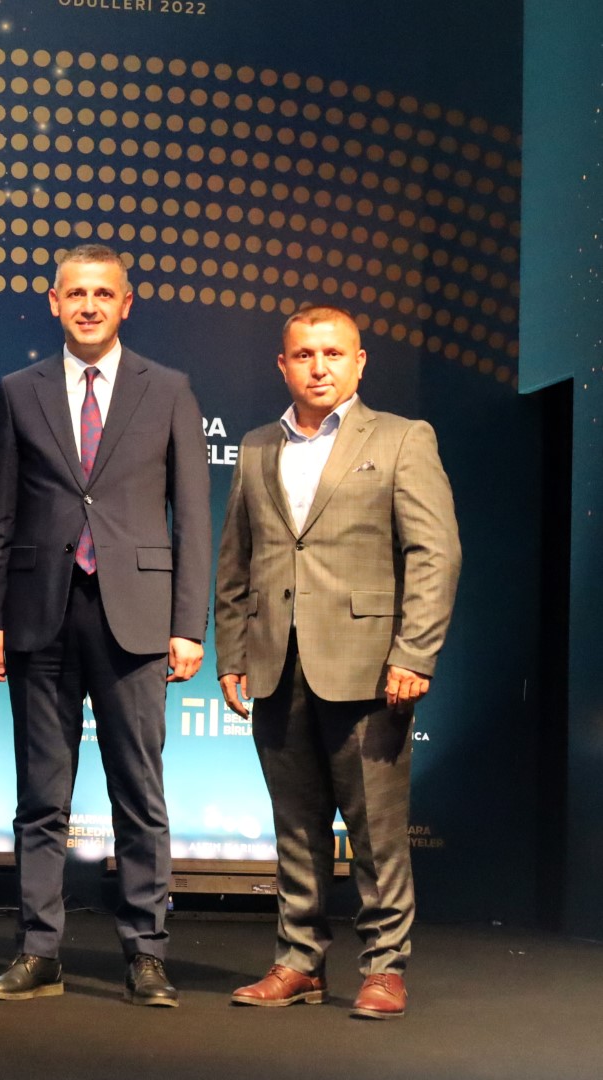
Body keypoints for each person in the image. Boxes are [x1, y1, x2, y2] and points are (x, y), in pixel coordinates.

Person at [0, 243, 209, 1007]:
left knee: (138, 793)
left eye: (102, 294)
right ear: (53, 302)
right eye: (74, 293)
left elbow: (192, 517)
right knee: (41, 797)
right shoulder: (18, 391)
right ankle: (38, 950)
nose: (87, 305)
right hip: (37, 614)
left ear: (124, 304)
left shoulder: (167, 389)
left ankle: (146, 952)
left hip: (135, 618)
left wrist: (188, 624)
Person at [215, 305, 460, 1021]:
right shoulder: (257, 446)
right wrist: (231, 650)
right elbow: (236, 559)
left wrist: (414, 651)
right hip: (275, 663)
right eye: (303, 354)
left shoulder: (402, 438)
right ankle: (299, 962)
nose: (317, 367)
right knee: (295, 828)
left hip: (370, 666)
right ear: (282, 365)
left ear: (358, 362)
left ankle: (384, 967)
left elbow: (434, 553)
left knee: (376, 832)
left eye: (332, 353)